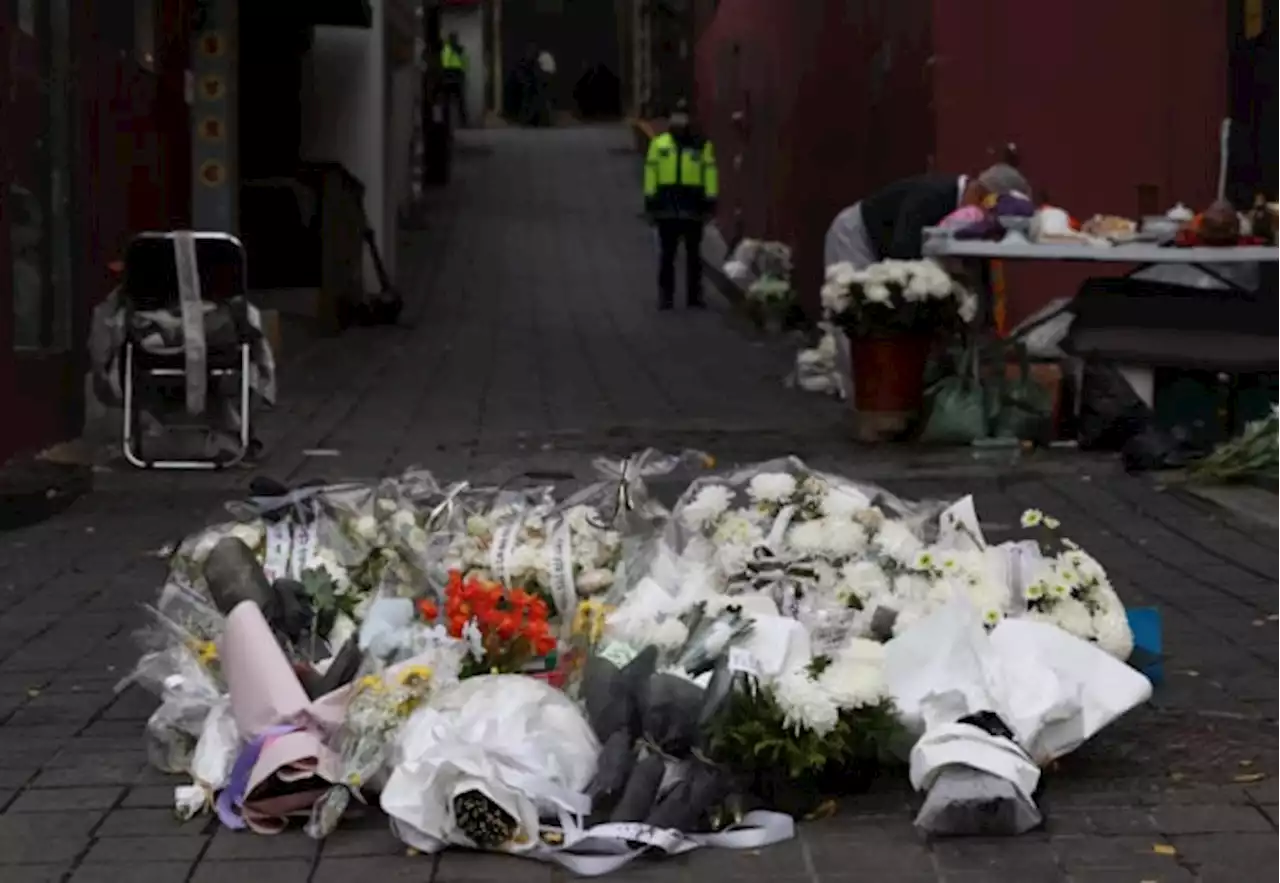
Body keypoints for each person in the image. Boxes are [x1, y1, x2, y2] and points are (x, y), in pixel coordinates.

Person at [824, 149, 1031, 268]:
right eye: (991, 212)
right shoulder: (931, 196)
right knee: (856, 315)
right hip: (857, 236)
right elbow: (903, 250)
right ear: (980, 195)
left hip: (888, 246)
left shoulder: (969, 215)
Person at [643, 100, 719, 310]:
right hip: (666, 206)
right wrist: (650, 203)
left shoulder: (701, 145)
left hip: (693, 205)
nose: (680, 121)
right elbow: (651, 174)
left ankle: (694, 296)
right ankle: (666, 296)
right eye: (676, 116)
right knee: (667, 255)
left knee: (694, 255)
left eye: (683, 116)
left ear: (690, 119)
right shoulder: (659, 144)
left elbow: (709, 173)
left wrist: (710, 202)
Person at [440, 32, 468, 127]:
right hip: (457, 74)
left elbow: (445, 62)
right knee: (460, 101)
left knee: (447, 102)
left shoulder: (446, 48)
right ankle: (463, 120)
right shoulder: (460, 49)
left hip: (448, 75)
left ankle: (446, 121)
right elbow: (465, 62)